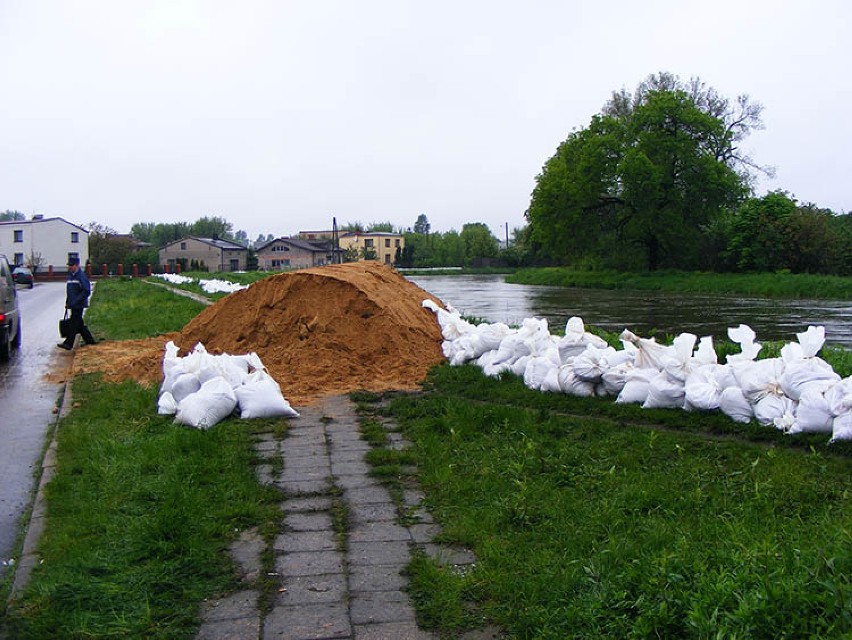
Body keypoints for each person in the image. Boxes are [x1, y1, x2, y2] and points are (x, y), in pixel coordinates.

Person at [57, 256, 96, 350]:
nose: (70, 267)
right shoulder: (70, 276)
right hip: (72, 304)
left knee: (74, 323)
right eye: (69, 265)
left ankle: (69, 343)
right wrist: (68, 302)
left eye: (72, 265)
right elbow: (70, 291)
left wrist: (76, 301)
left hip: (79, 305)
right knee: (79, 324)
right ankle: (90, 341)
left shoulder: (81, 276)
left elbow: (86, 290)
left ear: (77, 265)